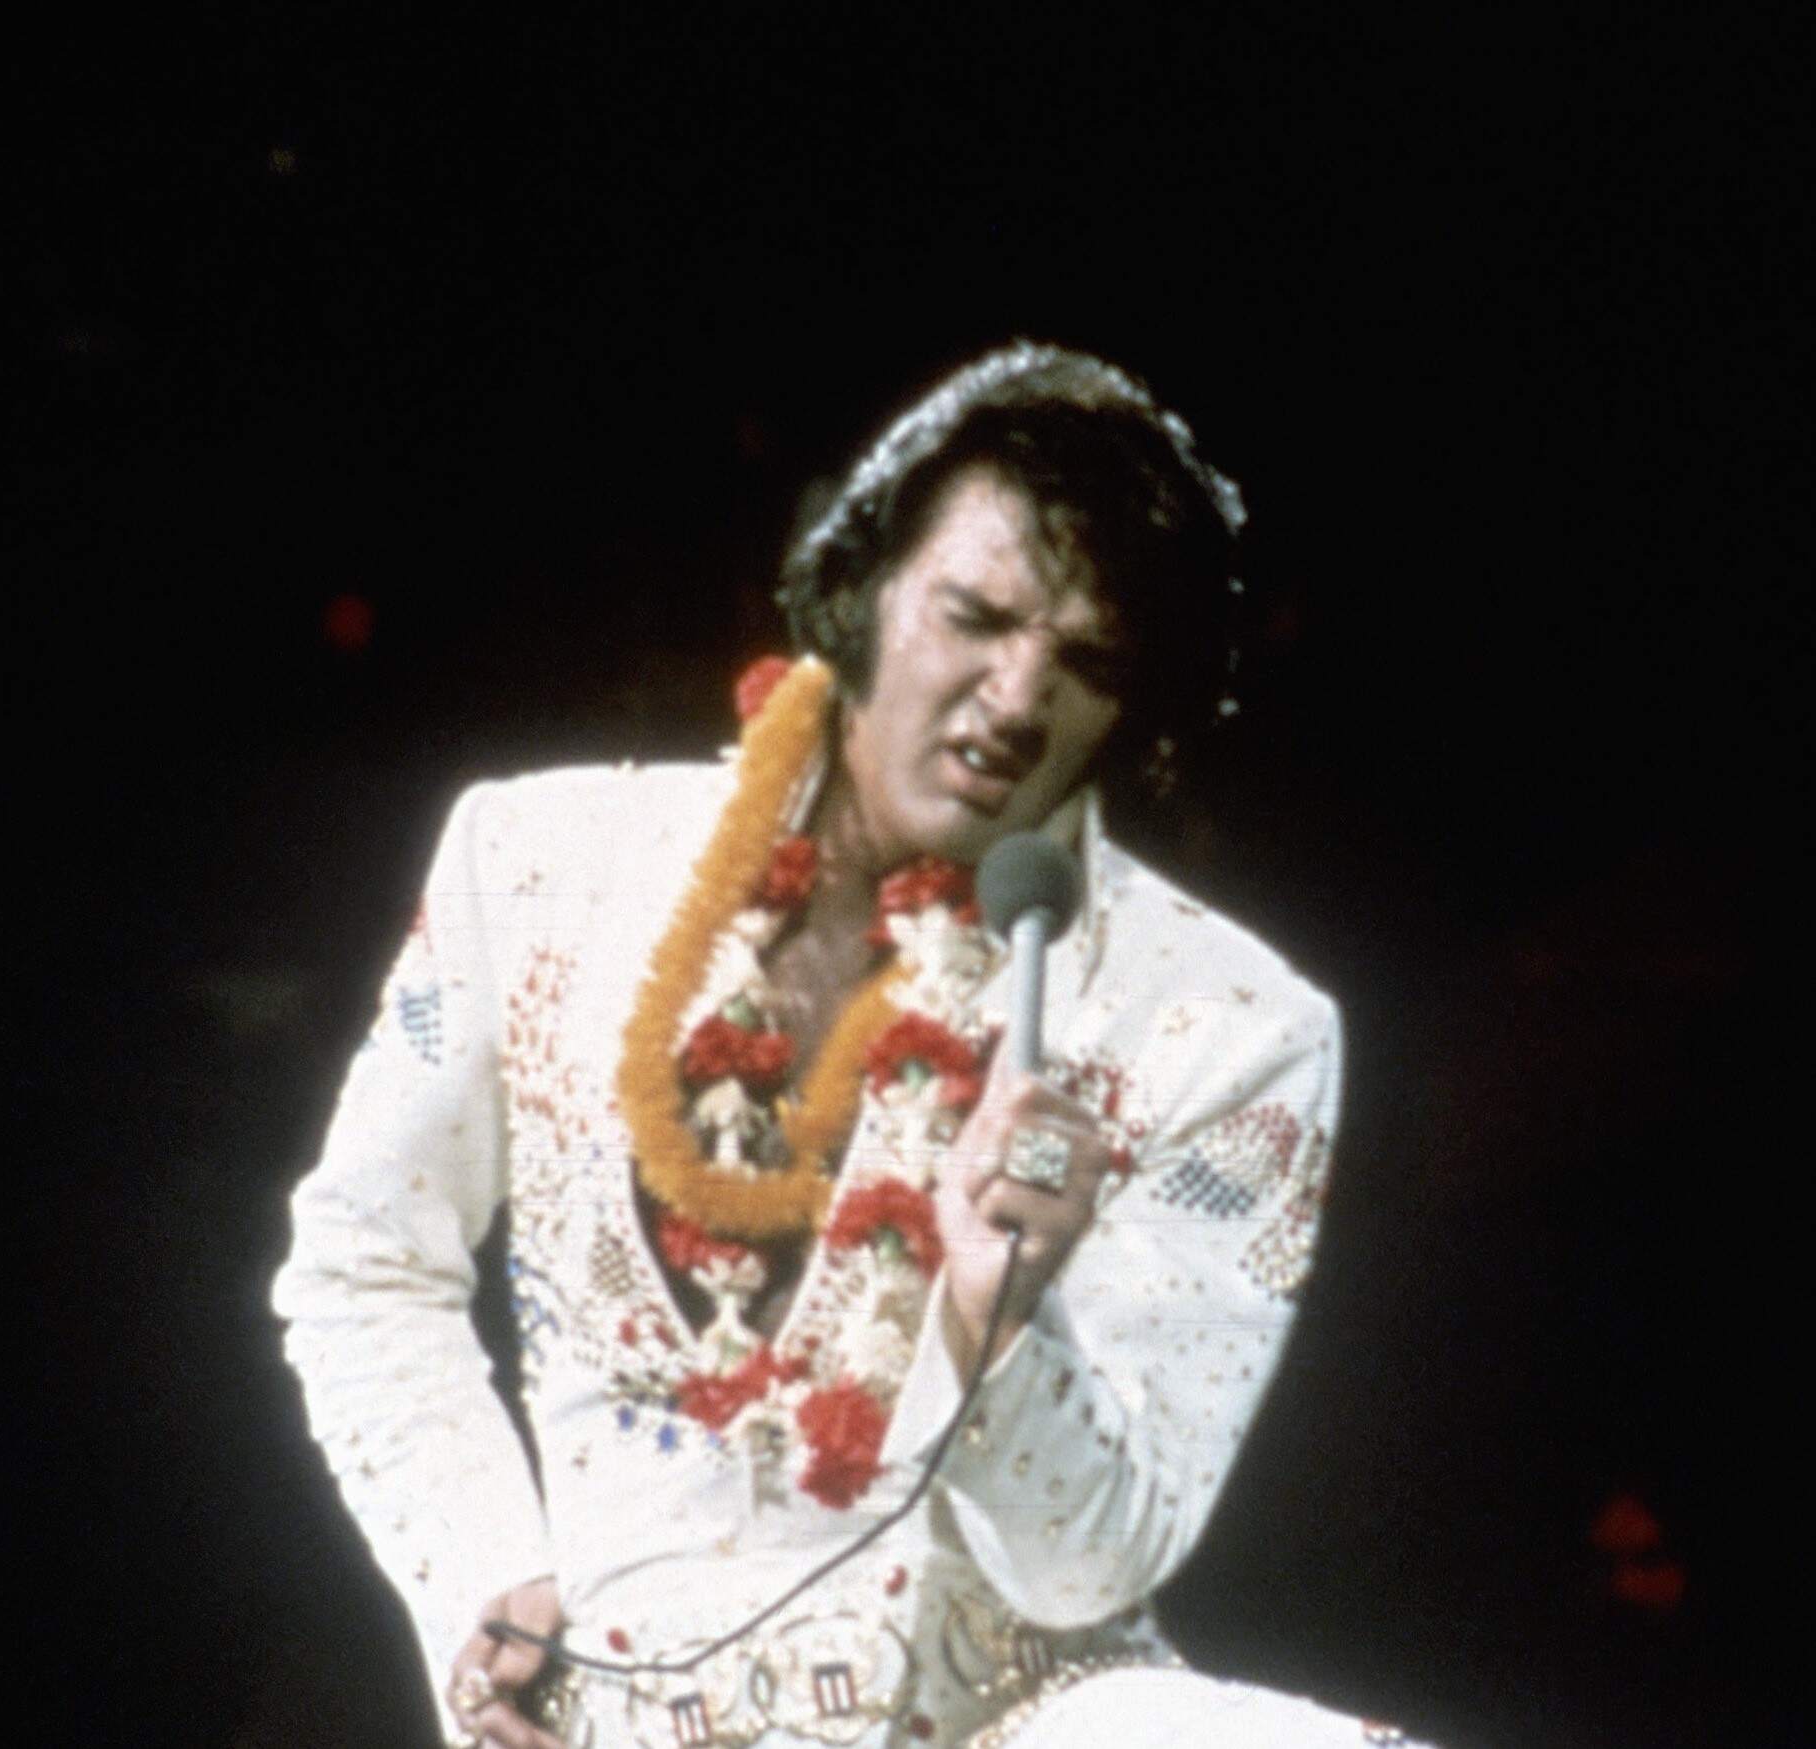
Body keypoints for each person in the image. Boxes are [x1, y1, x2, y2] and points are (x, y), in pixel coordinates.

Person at [274, 342, 1429, 1748]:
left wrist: (995, 1325)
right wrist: (478, 1578)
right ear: (866, 587)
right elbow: (364, 1262)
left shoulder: (1232, 1030)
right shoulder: (534, 861)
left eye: (1086, 661)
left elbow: (1095, 1563)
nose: (1018, 697)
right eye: (976, 616)